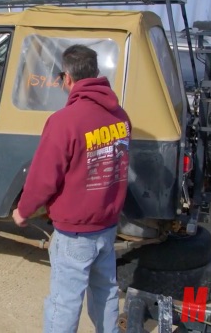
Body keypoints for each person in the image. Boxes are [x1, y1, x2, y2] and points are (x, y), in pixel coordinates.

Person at [12, 44, 131, 333]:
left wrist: (23, 211)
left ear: (67, 77)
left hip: (75, 233)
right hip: (106, 227)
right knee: (106, 293)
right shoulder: (120, 117)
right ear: (96, 73)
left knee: (64, 302)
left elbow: (43, 178)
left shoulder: (64, 121)